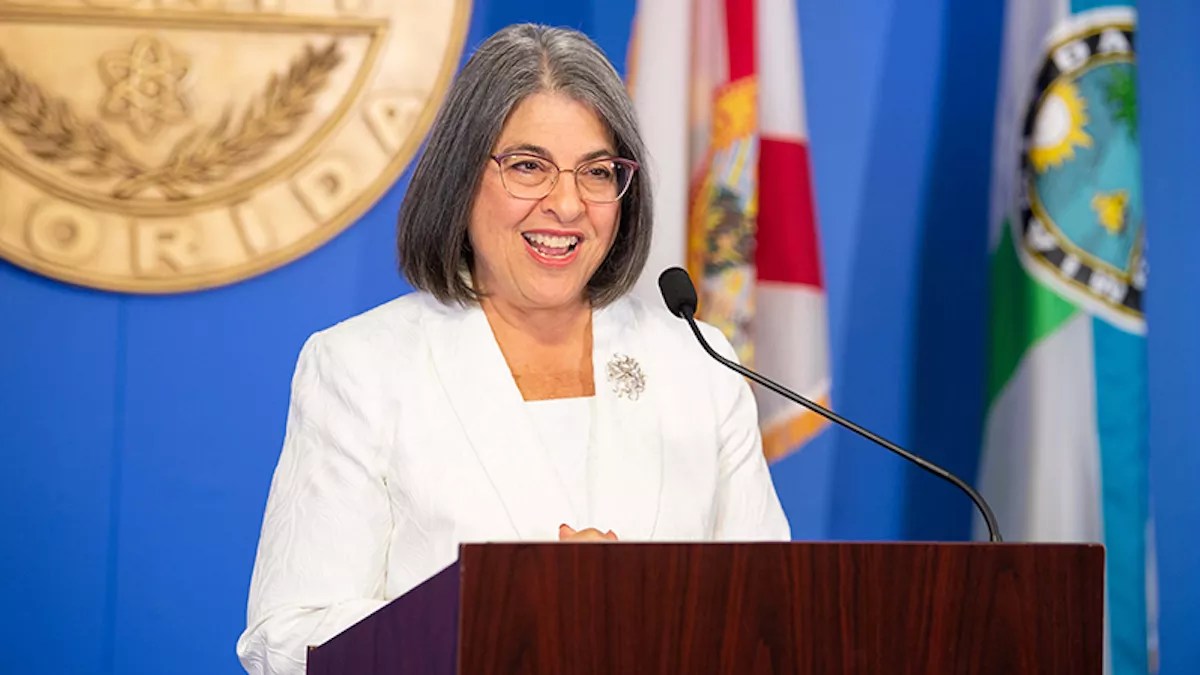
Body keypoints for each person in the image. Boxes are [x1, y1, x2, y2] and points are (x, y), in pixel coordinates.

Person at [236, 23, 789, 675]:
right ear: (461, 177)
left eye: (597, 172)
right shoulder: (363, 368)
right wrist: (513, 611)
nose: (567, 205)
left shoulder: (698, 365)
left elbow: (771, 622)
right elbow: (288, 641)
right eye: (529, 166)